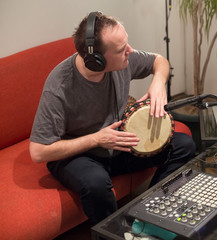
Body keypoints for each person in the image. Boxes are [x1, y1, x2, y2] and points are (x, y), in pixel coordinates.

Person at [29, 12, 196, 225]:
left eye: (126, 44)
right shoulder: (59, 85)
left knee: (183, 145)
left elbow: (159, 61)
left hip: (116, 144)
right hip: (79, 154)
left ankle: (152, 216)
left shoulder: (126, 58)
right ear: (96, 61)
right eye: (121, 50)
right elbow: (38, 151)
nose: (131, 51)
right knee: (96, 183)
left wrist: (158, 82)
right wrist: (96, 139)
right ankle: (116, 233)